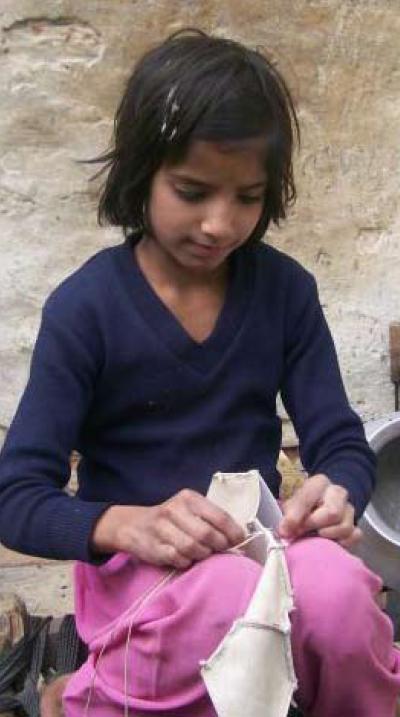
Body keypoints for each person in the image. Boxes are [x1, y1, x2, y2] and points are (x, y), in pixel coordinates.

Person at [0, 28, 399, 717]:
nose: (220, 223)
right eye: (191, 190)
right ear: (140, 173)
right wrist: (125, 525)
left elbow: (338, 440)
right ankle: (84, 696)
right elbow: (17, 495)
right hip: (141, 580)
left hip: (259, 554)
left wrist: (337, 491)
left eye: (247, 196)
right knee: (222, 601)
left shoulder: (285, 293)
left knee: (337, 593)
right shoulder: (85, 309)